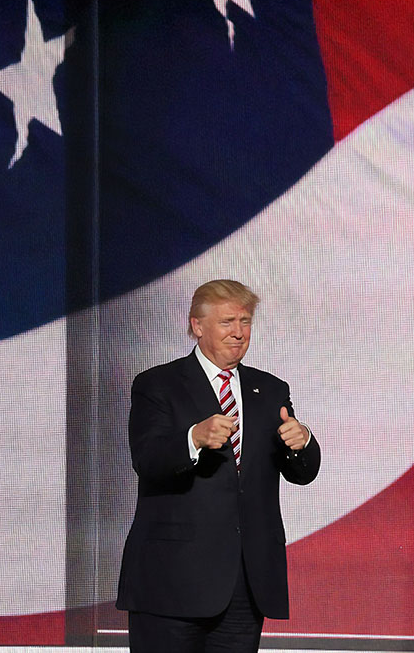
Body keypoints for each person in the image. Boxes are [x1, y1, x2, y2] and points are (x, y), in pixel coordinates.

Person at [117, 279, 321, 653]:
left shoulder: (271, 389)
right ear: (197, 325)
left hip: (245, 583)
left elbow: (301, 473)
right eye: (228, 322)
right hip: (172, 580)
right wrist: (194, 438)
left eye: (245, 322)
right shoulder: (158, 384)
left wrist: (303, 441)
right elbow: (148, 460)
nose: (239, 333)